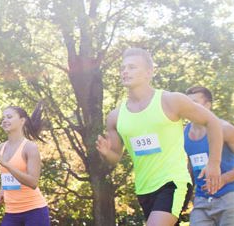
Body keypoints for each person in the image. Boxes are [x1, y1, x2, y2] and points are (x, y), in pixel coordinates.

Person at [96, 48, 225, 225]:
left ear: (149, 72)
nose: (125, 71)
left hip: (173, 182)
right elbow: (115, 157)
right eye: (123, 68)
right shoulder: (115, 117)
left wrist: (214, 163)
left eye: (132, 67)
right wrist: (106, 153)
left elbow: (213, 122)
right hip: (144, 188)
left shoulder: (170, 101)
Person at [183, 86, 234, 225]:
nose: (189, 108)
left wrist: (223, 179)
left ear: (207, 105)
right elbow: (190, 168)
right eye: (187, 103)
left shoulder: (224, 128)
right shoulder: (183, 134)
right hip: (201, 200)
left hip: (230, 197)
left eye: (194, 103)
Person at [0, 103, 50, 226]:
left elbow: (33, 182)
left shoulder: (29, 147)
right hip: (11, 212)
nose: (5, 120)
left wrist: (7, 164)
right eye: (4, 118)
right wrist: (1, 191)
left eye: (9, 117)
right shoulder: (1, 147)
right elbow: (6, 176)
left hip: (34, 211)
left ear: (22, 121)